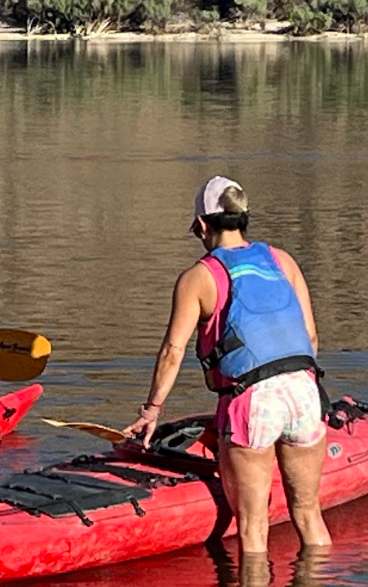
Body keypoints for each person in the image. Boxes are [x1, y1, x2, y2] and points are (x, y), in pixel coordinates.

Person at [123, 176, 331, 554]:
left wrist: (151, 410)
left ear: (203, 225)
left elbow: (173, 350)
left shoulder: (197, 277)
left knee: (253, 529)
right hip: (304, 391)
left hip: (252, 401)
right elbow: (311, 338)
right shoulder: (282, 260)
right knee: (308, 512)